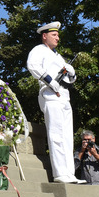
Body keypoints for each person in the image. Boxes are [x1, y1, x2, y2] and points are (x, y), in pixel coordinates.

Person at [26, 22, 80, 184]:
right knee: (56, 134)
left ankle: (69, 173)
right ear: (45, 36)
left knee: (67, 136)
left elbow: (70, 79)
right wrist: (50, 81)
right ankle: (59, 173)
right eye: (54, 35)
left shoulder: (58, 56)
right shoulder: (38, 50)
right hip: (50, 93)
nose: (58, 37)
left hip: (64, 95)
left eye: (57, 35)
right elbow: (33, 66)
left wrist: (72, 74)